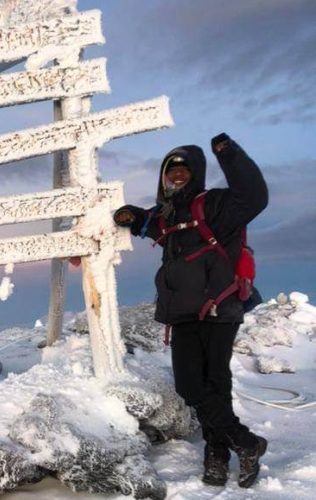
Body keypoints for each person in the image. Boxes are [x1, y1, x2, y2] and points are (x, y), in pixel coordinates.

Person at [113, 133, 269, 489]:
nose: (177, 175)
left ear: (196, 172)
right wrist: (129, 215)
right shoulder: (165, 214)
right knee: (190, 386)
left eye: (184, 169)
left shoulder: (215, 204)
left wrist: (229, 154)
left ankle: (217, 452)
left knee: (215, 381)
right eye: (171, 170)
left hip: (219, 306)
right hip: (182, 311)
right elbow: (143, 220)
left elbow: (254, 196)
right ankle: (246, 443)